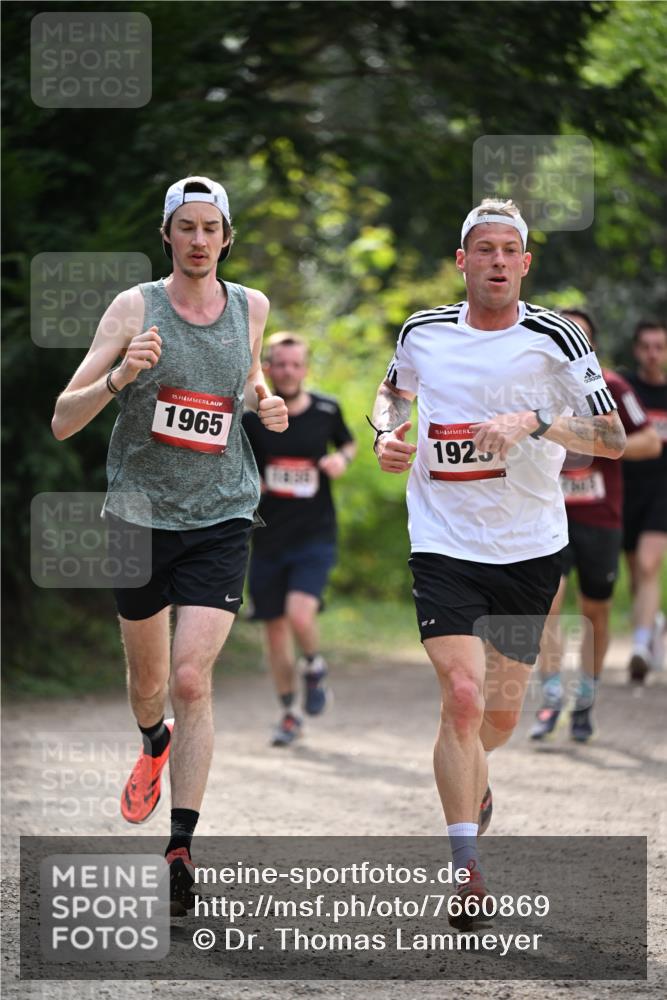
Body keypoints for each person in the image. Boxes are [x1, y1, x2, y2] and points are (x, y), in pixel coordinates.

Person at [370, 198, 626, 928]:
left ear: (524, 262)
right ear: (462, 261)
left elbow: (608, 435)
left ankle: (474, 777)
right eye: (481, 249)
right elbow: (391, 397)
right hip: (442, 541)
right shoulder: (423, 330)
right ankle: (465, 869)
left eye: (508, 249)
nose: (495, 260)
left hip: (527, 547)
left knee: (500, 715)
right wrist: (388, 434)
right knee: (459, 695)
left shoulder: (556, 338)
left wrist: (536, 421)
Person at [50, 176, 288, 914]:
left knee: (192, 679)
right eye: (184, 227)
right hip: (138, 515)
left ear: (226, 237)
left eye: (209, 228)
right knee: (151, 687)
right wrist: (122, 375)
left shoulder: (251, 307)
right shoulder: (134, 307)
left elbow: (242, 379)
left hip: (220, 514)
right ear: (167, 235)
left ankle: (180, 846)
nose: (197, 240)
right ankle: (153, 739)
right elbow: (62, 418)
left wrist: (263, 400)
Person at [530, 309, 660, 742]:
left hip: (600, 518)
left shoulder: (613, 388)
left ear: (591, 347)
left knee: (595, 610)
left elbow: (647, 440)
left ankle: (585, 699)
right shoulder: (531, 385)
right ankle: (551, 698)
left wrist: (591, 439)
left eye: (578, 338)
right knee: (549, 599)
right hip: (548, 515)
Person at [242, 332, 356, 745]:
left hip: (314, 534)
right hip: (268, 537)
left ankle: (314, 665)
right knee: (273, 631)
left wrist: (339, 460)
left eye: (296, 364)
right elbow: (242, 464)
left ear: (305, 369)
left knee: (300, 615)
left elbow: (348, 442)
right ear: (268, 368)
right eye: (280, 364)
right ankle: (289, 711)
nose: (288, 371)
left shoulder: (326, 409)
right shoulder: (251, 418)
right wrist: (253, 483)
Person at [622, 321, 667, 682]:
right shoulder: (626, 390)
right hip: (627, 489)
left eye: (660, 347)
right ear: (637, 350)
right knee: (637, 572)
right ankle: (653, 624)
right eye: (647, 346)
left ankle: (639, 646)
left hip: (663, 490)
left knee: (650, 564)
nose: (653, 353)